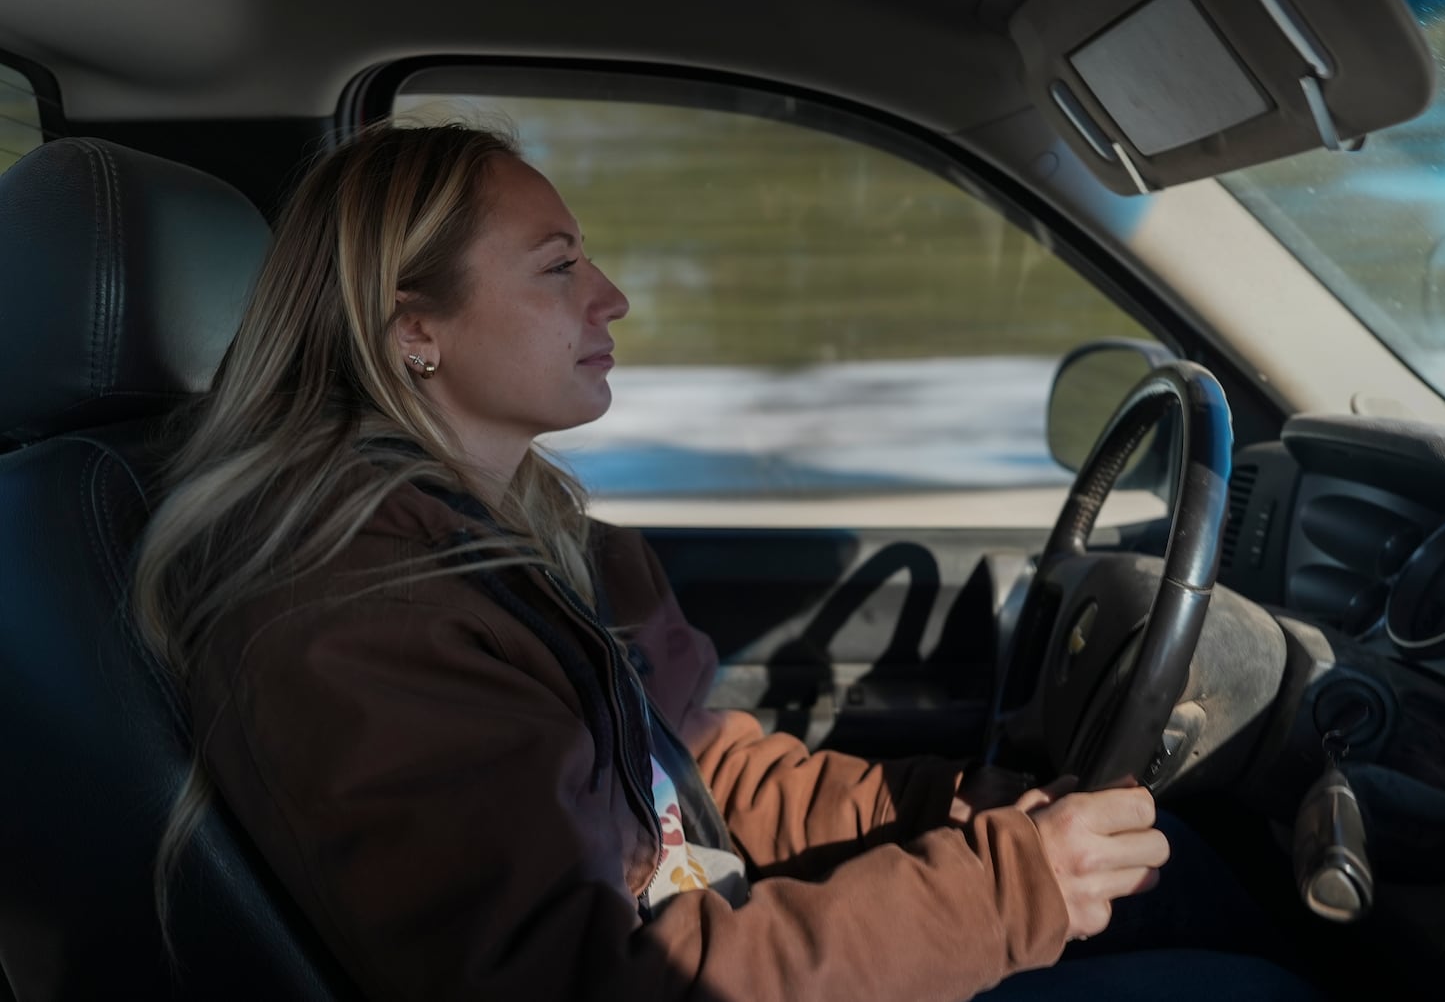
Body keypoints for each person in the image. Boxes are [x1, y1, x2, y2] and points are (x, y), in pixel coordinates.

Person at [133, 124, 1315, 1001]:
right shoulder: (355, 618)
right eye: (557, 267)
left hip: (710, 932)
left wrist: (950, 808)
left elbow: (693, 782)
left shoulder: (518, 539)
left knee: (1183, 875)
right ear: (414, 330)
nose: (613, 295)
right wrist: (1004, 891)